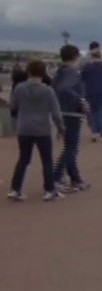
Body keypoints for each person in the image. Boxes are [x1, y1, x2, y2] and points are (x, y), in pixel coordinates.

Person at [7, 60, 65, 202]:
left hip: (24, 127)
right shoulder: (48, 91)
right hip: (42, 128)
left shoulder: (19, 88)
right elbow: (56, 113)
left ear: (28, 71)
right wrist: (60, 128)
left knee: (24, 159)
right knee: (47, 160)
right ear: (43, 73)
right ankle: (49, 189)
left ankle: (16, 189)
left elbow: (13, 106)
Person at [51, 44, 89, 193]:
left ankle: (75, 178)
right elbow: (64, 89)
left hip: (62, 112)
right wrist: (80, 100)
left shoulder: (60, 71)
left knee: (70, 147)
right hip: (71, 113)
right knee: (71, 148)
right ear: (75, 56)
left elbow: (56, 88)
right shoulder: (72, 72)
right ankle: (57, 177)